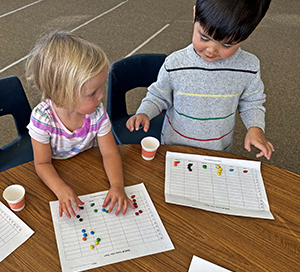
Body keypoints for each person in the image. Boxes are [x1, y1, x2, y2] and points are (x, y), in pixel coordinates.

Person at [126, 0, 274, 160]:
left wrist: (255, 128)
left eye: (226, 45)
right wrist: (144, 112)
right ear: (195, 14)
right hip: (174, 145)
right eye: (204, 38)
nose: (211, 50)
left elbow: (252, 103)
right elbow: (158, 96)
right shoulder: (175, 63)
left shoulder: (249, 66)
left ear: (250, 32)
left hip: (218, 149)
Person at [26, 30, 133, 218]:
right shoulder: (43, 119)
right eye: (92, 93)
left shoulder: (97, 112)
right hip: (58, 172)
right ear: (61, 95)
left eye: (101, 86)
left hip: (90, 167)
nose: (101, 96)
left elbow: (109, 152)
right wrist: (60, 189)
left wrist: (117, 185)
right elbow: (42, 163)